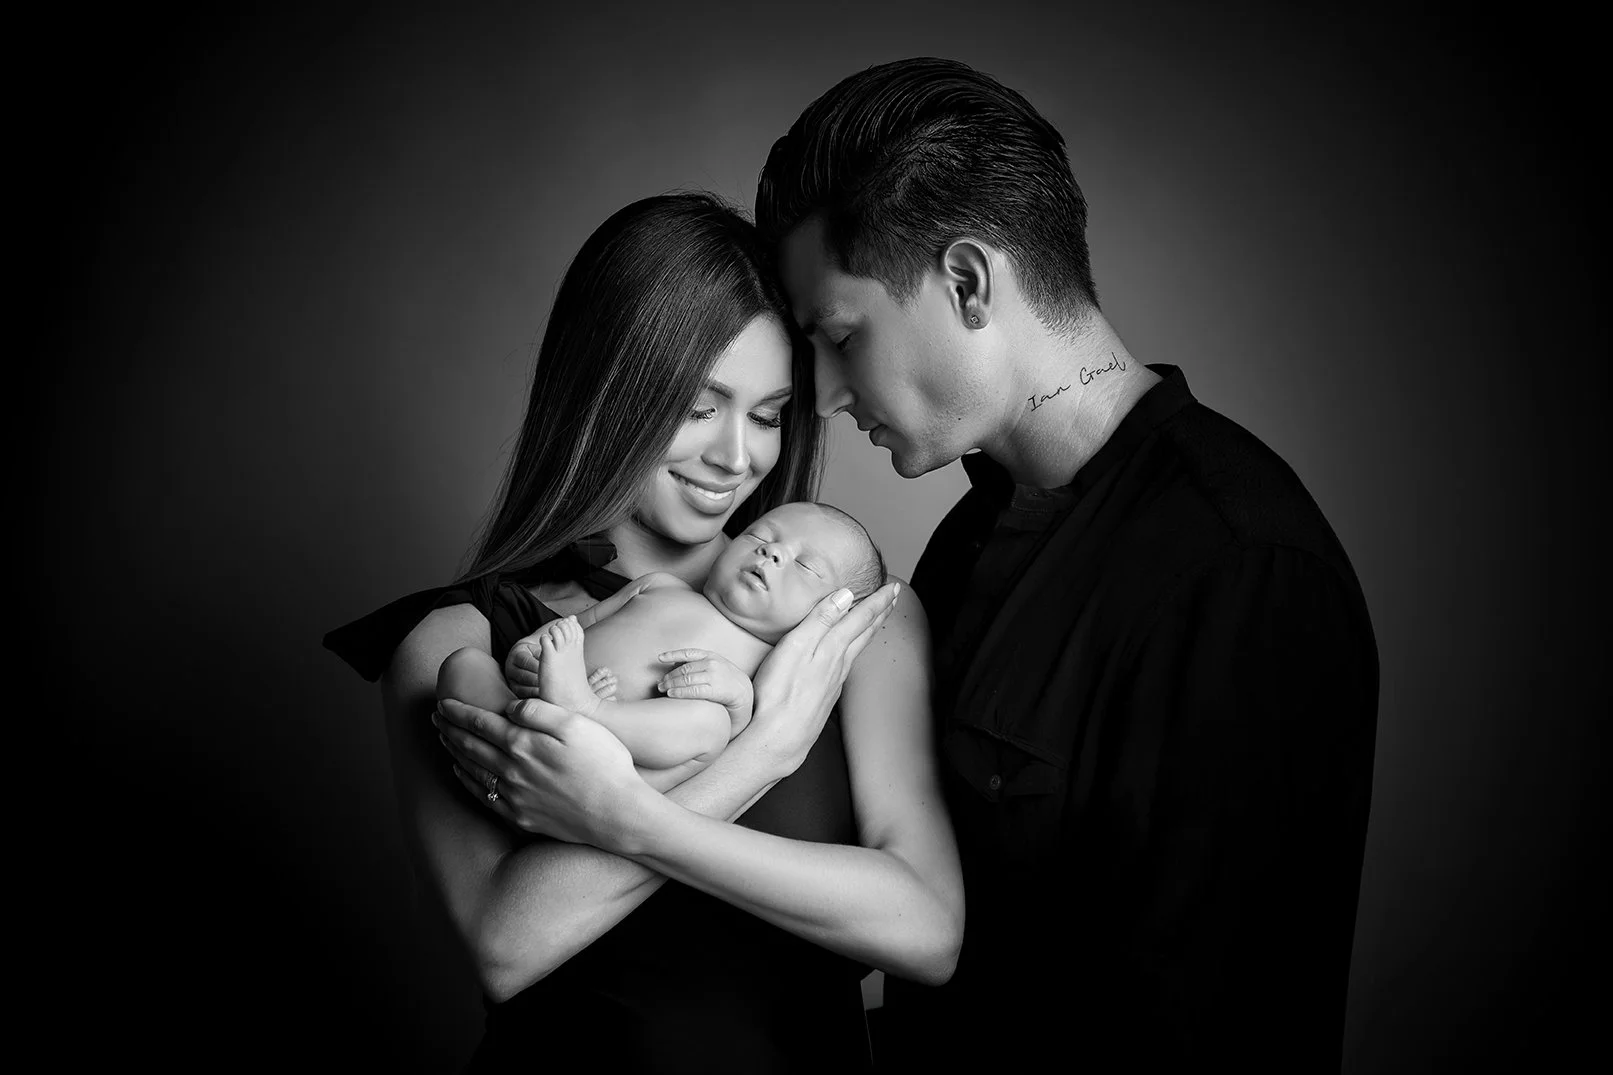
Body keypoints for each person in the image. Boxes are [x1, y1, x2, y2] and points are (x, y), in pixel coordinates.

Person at [743, 57, 1380, 1071]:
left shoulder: (1239, 566)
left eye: (840, 335)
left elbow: (1210, 1028)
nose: (818, 395)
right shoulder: (965, 541)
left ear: (964, 279)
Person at [325, 193, 961, 1074]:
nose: (736, 457)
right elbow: (509, 944)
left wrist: (627, 816)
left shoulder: (847, 620)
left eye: (770, 413)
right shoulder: (454, 642)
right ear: (607, 390)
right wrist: (762, 750)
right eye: (700, 407)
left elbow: (926, 930)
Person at [440, 500, 887, 788]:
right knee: (463, 663)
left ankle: (590, 713)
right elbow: (576, 625)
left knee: (709, 726)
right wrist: (529, 652)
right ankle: (505, 741)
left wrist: (738, 697)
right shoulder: (658, 585)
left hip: (604, 768)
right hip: (523, 715)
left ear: (830, 616)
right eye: (760, 537)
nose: (771, 554)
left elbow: (743, 734)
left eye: (806, 567)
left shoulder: (770, 661)